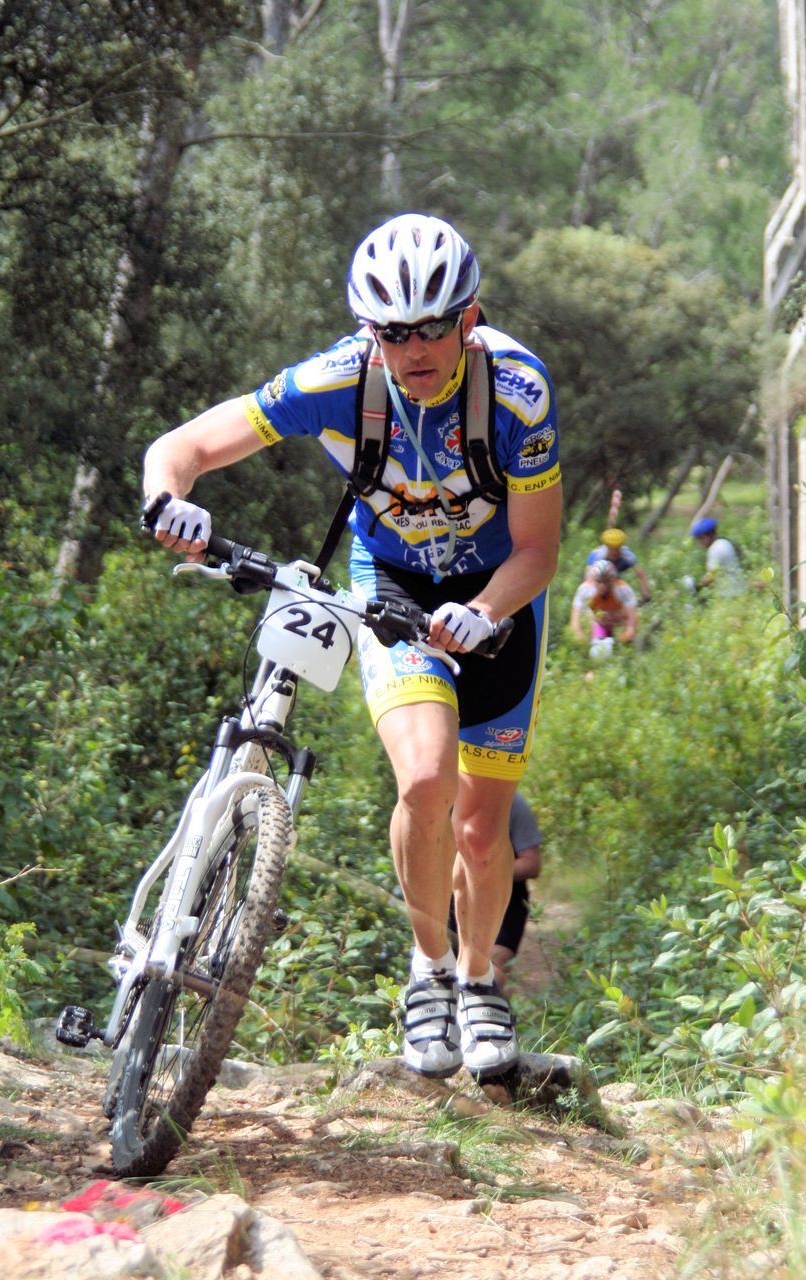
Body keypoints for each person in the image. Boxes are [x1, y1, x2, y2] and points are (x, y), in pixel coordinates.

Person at [141, 213, 562, 1082]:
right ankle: (429, 970)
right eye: (391, 332)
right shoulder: (338, 379)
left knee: (482, 828)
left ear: (467, 318)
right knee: (425, 780)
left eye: (431, 327)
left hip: (499, 595)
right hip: (391, 585)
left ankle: (479, 978)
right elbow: (183, 446)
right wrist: (168, 498)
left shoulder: (517, 392)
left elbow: (537, 550)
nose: (413, 349)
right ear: (368, 330)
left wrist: (485, 610)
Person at [447, 792, 543, 989]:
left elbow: (531, 863)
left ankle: (494, 1006)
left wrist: (482, 872)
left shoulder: (512, 803)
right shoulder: (438, 797)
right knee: (451, 972)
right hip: (453, 898)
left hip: (506, 900)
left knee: (492, 971)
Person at [570, 559, 637, 657]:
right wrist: (580, 638)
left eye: (606, 581)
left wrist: (628, 635)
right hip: (598, 624)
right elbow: (575, 621)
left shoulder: (623, 589)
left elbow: (632, 619)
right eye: (598, 581)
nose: (602, 586)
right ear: (593, 580)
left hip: (619, 623)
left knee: (628, 645)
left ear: (613, 580)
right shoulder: (585, 590)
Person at [585, 528, 651, 602]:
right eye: (611, 549)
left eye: (617, 549)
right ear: (606, 547)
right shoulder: (597, 554)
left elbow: (641, 574)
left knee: (615, 586)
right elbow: (589, 578)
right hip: (601, 567)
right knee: (602, 582)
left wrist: (645, 595)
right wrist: (591, 597)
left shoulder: (627, 554)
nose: (614, 552)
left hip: (619, 565)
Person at [689, 517, 745, 596]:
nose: (700, 543)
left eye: (700, 538)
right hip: (741, 590)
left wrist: (697, 588)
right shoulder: (724, 541)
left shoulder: (715, 549)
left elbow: (710, 577)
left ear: (709, 536)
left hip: (731, 594)